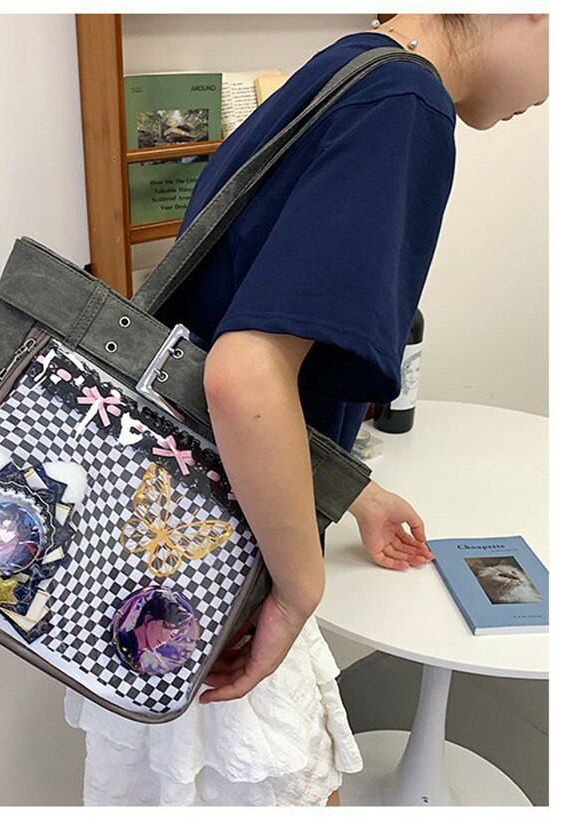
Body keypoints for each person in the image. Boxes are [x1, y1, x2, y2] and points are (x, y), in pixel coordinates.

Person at [64, 13, 549, 806]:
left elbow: (231, 338)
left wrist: (352, 491)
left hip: (151, 547)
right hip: (218, 576)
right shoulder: (407, 105)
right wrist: (299, 589)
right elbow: (243, 375)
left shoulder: (350, 67)